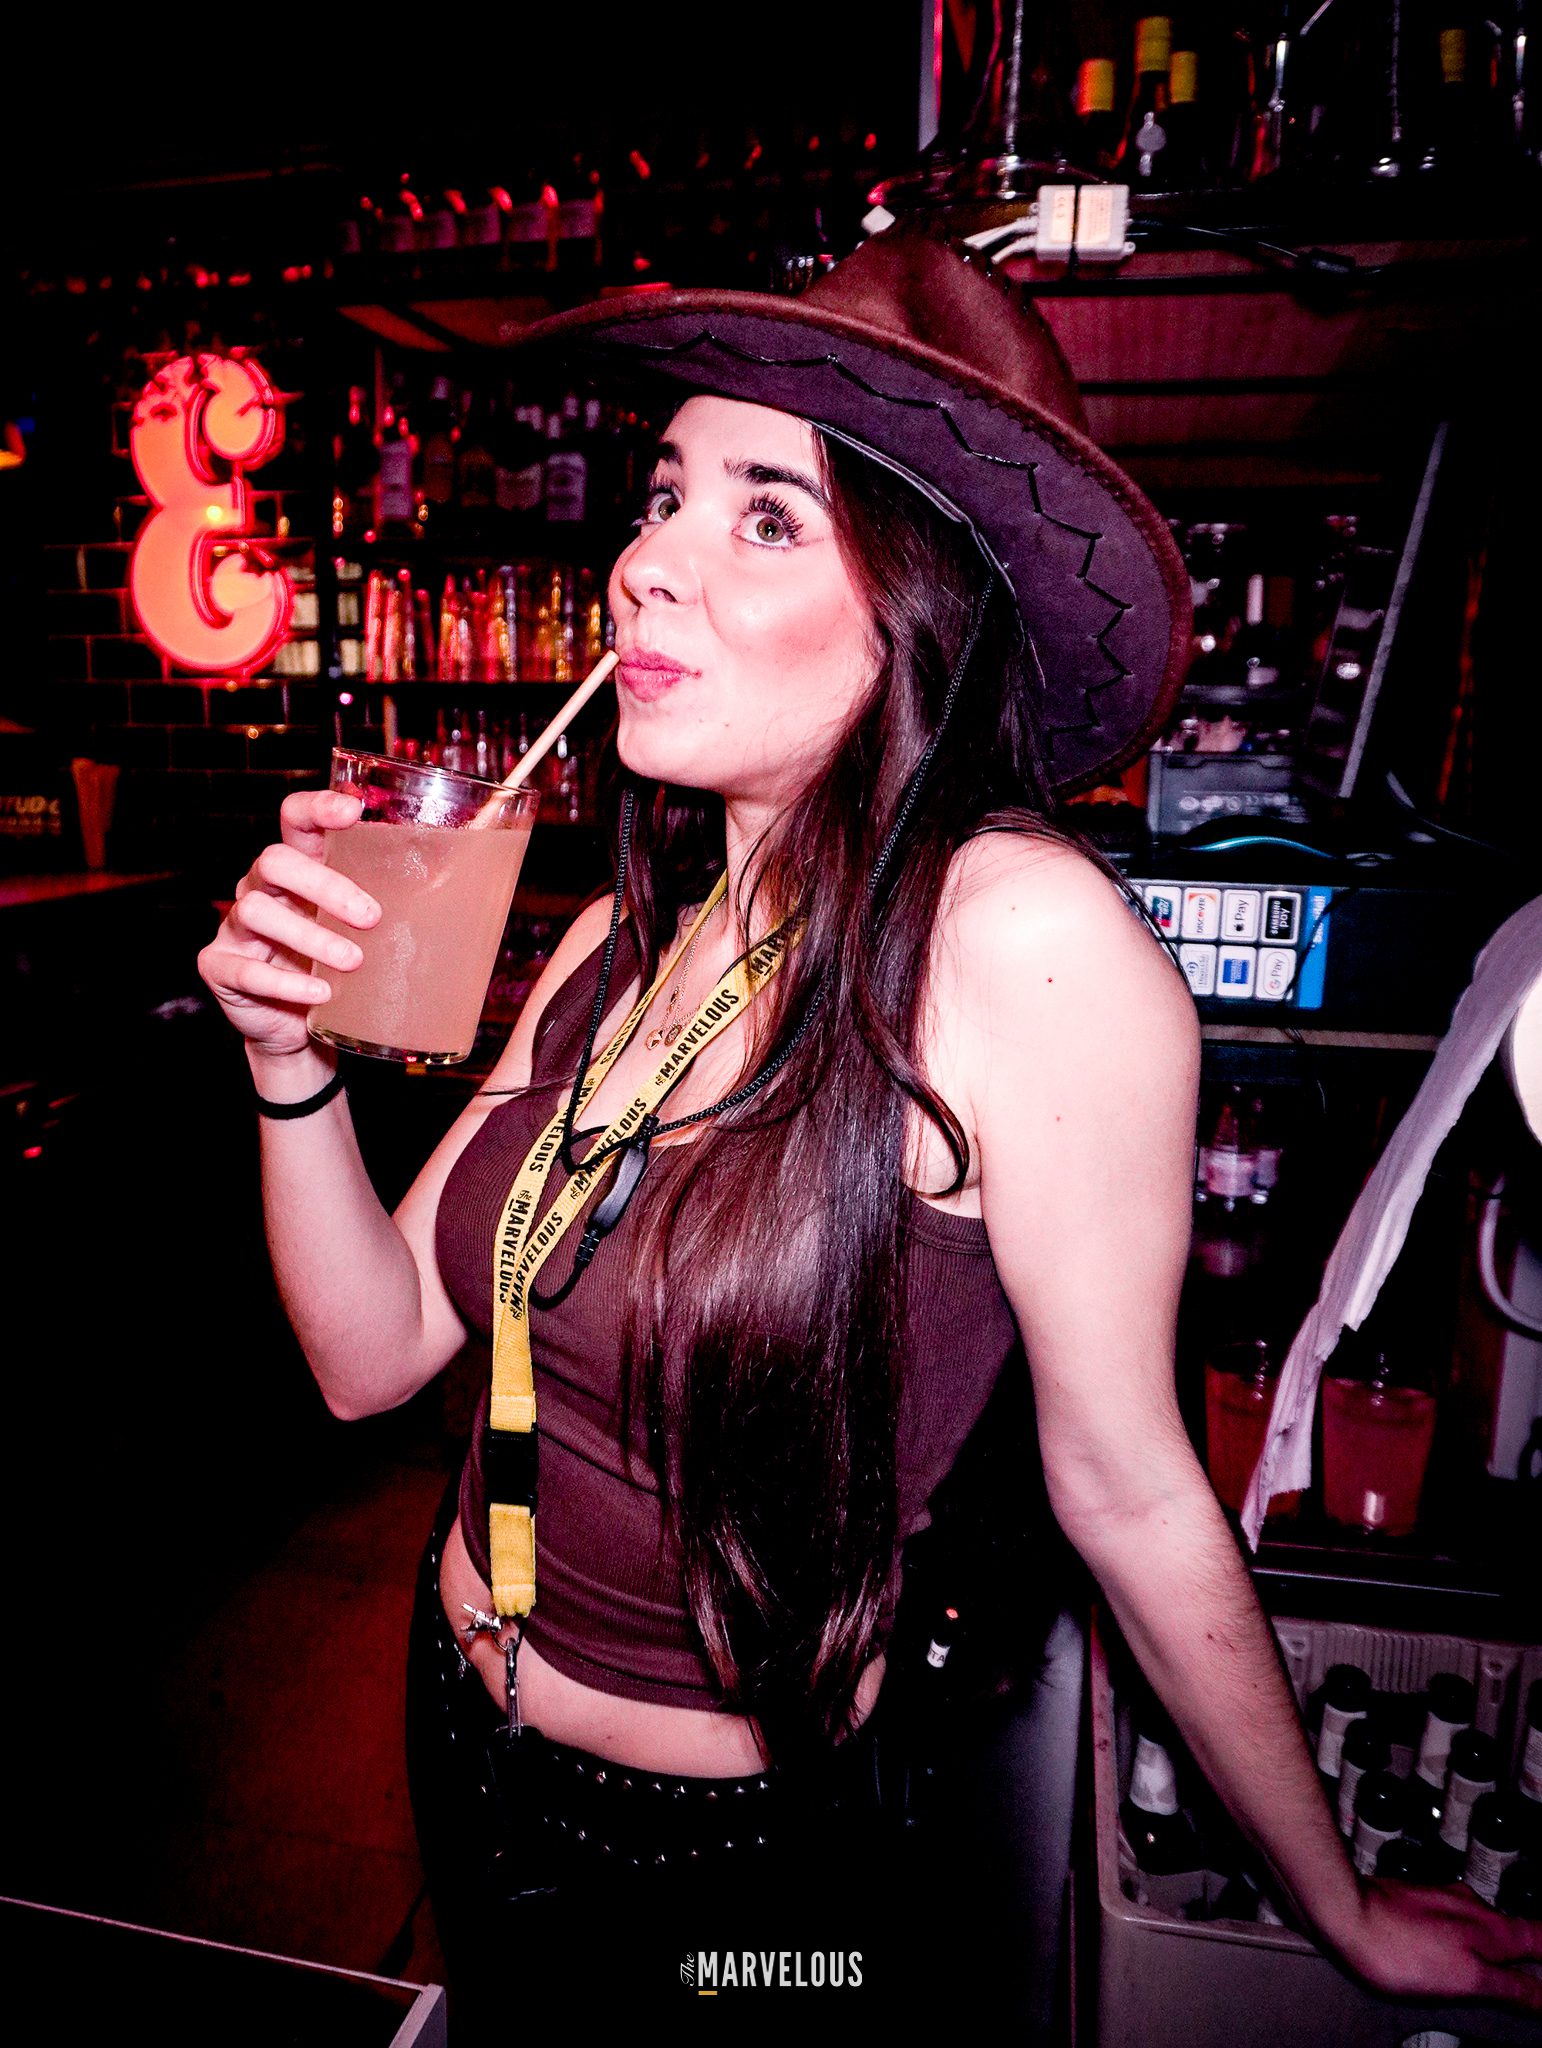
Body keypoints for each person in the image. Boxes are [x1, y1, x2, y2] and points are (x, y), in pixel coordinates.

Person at [197, 233, 1542, 2030]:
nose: (645, 560)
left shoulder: (1020, 942)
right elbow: (372, 1361)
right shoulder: (617, 943)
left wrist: (1341, 1910)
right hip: (458, 1729)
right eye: (664, 495)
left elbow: (1132, 1491)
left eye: (765, 516)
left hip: (738, 1877)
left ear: (921, 604)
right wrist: (287, 1065)